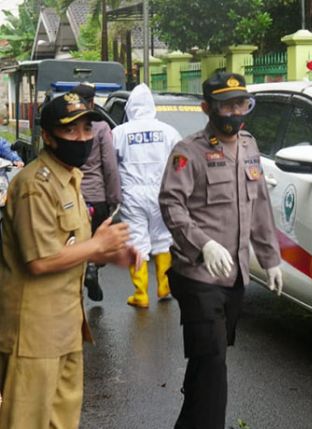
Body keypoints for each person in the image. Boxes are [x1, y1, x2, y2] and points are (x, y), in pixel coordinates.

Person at [0, 92, 141, 428]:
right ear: (47, 136)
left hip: (66, 327)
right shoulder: (35, 185)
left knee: (61, 421)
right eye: (71, 131)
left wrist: (110, 251)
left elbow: (70, 245)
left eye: (87, 130)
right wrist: (97, 246)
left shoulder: (70, 179)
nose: (82, 138)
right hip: (33, 334)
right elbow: (40, 261)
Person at [159, 71, 283, 429]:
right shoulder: (188, 151)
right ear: (206, 108)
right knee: (213, 363)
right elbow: (171, 204)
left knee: (206, 361)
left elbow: (259, 204)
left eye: (240, 104)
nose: (234, 112)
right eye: (226, 106)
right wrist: (204, 244)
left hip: (235, 277)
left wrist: (270, 258)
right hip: (197, 275)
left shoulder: (249, 146)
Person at [112, 83, 181, 308]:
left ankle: (141, 294)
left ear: (130, 107)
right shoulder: (169, 131)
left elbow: (111, 163)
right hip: (162, 190)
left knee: (137, 241)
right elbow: (181, 161)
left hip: (132, 192)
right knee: (163, 238)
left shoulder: (120, 132)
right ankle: (164, 286)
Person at [73, 82, 123, 302]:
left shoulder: (68, 125)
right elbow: (110, 166)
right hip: (96, 197)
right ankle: (92, 268)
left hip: (72, 196)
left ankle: (78, 281)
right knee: (95, 239)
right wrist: (114, 198)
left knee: (73, 242)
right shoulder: (101, 127)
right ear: (92, 102)